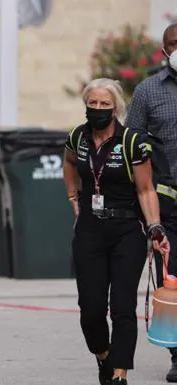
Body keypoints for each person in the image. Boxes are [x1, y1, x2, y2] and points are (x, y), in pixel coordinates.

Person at [63, 78, 170, 385]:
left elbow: (146, 189)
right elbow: (70, 163)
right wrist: (73, 197)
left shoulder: (132, 142)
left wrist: (154, 227)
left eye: (104, 104)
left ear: (116, 108)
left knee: (123, 307)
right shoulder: (77, 137)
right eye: (92, 103)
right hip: (88, 231)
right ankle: (104, 357)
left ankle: (119, 375)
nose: (97, 109)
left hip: (126, 230)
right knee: (91, 310)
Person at [124, 21, 177, 383]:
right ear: (164, 51)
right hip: (168, 204)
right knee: (171, 279)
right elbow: (132, 149)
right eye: (174, 43)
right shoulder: (147, 92)